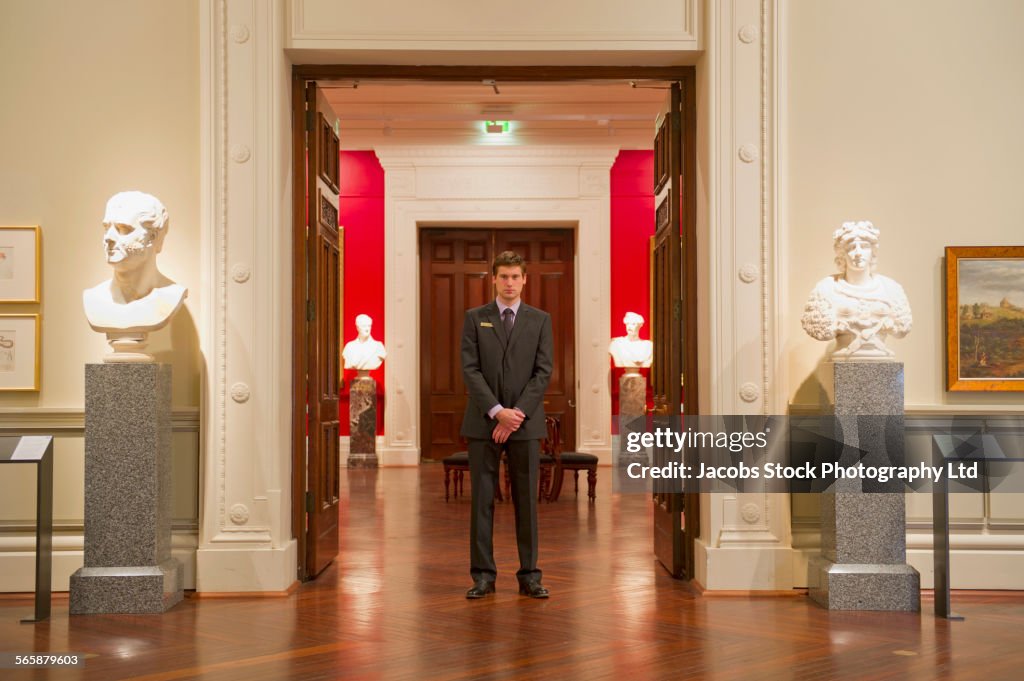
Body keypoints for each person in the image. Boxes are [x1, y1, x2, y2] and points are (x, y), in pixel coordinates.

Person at [460, 250, 553, 599]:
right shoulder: (475, 318)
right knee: (482, 501)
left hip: (525, 425)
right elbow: (470, 370)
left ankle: (529, 575)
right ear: (494, 279)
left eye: (516, 276)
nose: (510, 282)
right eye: (504, 277)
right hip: (483, 423)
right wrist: (497, 411)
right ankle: (483, 576)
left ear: (524, 279)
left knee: (526, 502)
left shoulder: (540, 320)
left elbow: (543, 372)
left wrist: (515, 416)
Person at [801, 220, 912, 359]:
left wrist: (891, 326)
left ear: (873, 252)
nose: (858, 253)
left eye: (864, 246)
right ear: (842, 254)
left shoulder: (890, 288)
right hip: (843, 357)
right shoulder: (827, 287)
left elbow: (902, 329)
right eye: (851, 247)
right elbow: (819, 328)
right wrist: (835, 327)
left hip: (881, 357)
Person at [83, 191, 187, 333]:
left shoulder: (171, 294)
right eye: (107, 228)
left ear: (152, 237)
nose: (108, 238)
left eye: (123, 229)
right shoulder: (94, 298)